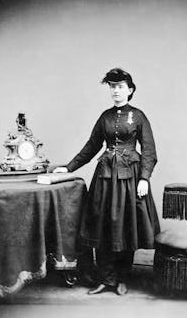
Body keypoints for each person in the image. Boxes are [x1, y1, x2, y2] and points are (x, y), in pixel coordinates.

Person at [53, 68, 160, 295]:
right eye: (112, 87)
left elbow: (149, 151)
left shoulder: (139, 116)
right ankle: (105, 278)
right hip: (105, 178)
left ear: (130, 90)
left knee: (126, 227)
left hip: (130, 178)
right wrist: (68, 167)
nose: (116, 91)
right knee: (103, 227)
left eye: (120, 87)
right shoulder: (105, 117)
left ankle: (122, 278)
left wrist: (144, 178)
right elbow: (91, 147)